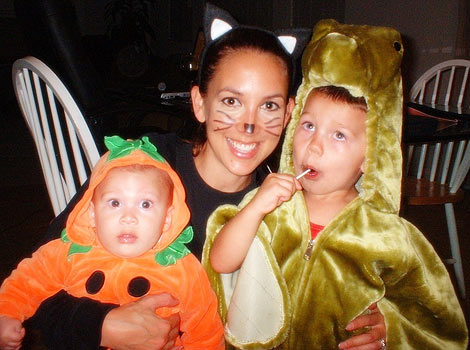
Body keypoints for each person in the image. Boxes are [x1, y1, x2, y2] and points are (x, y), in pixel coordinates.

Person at [23, 4, 386, 350]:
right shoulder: (143, 166)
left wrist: (385, 321)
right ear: (200, 103)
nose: (250, 126)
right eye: (231, 101)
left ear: (289, 112)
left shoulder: (282, 204)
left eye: (269, 105)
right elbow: (37, 284)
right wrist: (102, 324)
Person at [203, 20, 468, 350]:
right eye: (309, 125)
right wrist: (255, 209)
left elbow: (439, 324)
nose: (314, 146)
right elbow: (221, 263)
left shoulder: (389, 236)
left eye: (339, 135)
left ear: (370, 156)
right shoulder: (270, 206)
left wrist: (391, 330)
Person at [0, 135, 225, 350]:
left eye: (145, 204)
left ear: (167, 219)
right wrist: (5, 313)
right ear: (91, 213)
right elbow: (26, 281)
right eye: (115, 203)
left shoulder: (182, 268)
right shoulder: (69, 252)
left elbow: (205, 330)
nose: (128, 217)